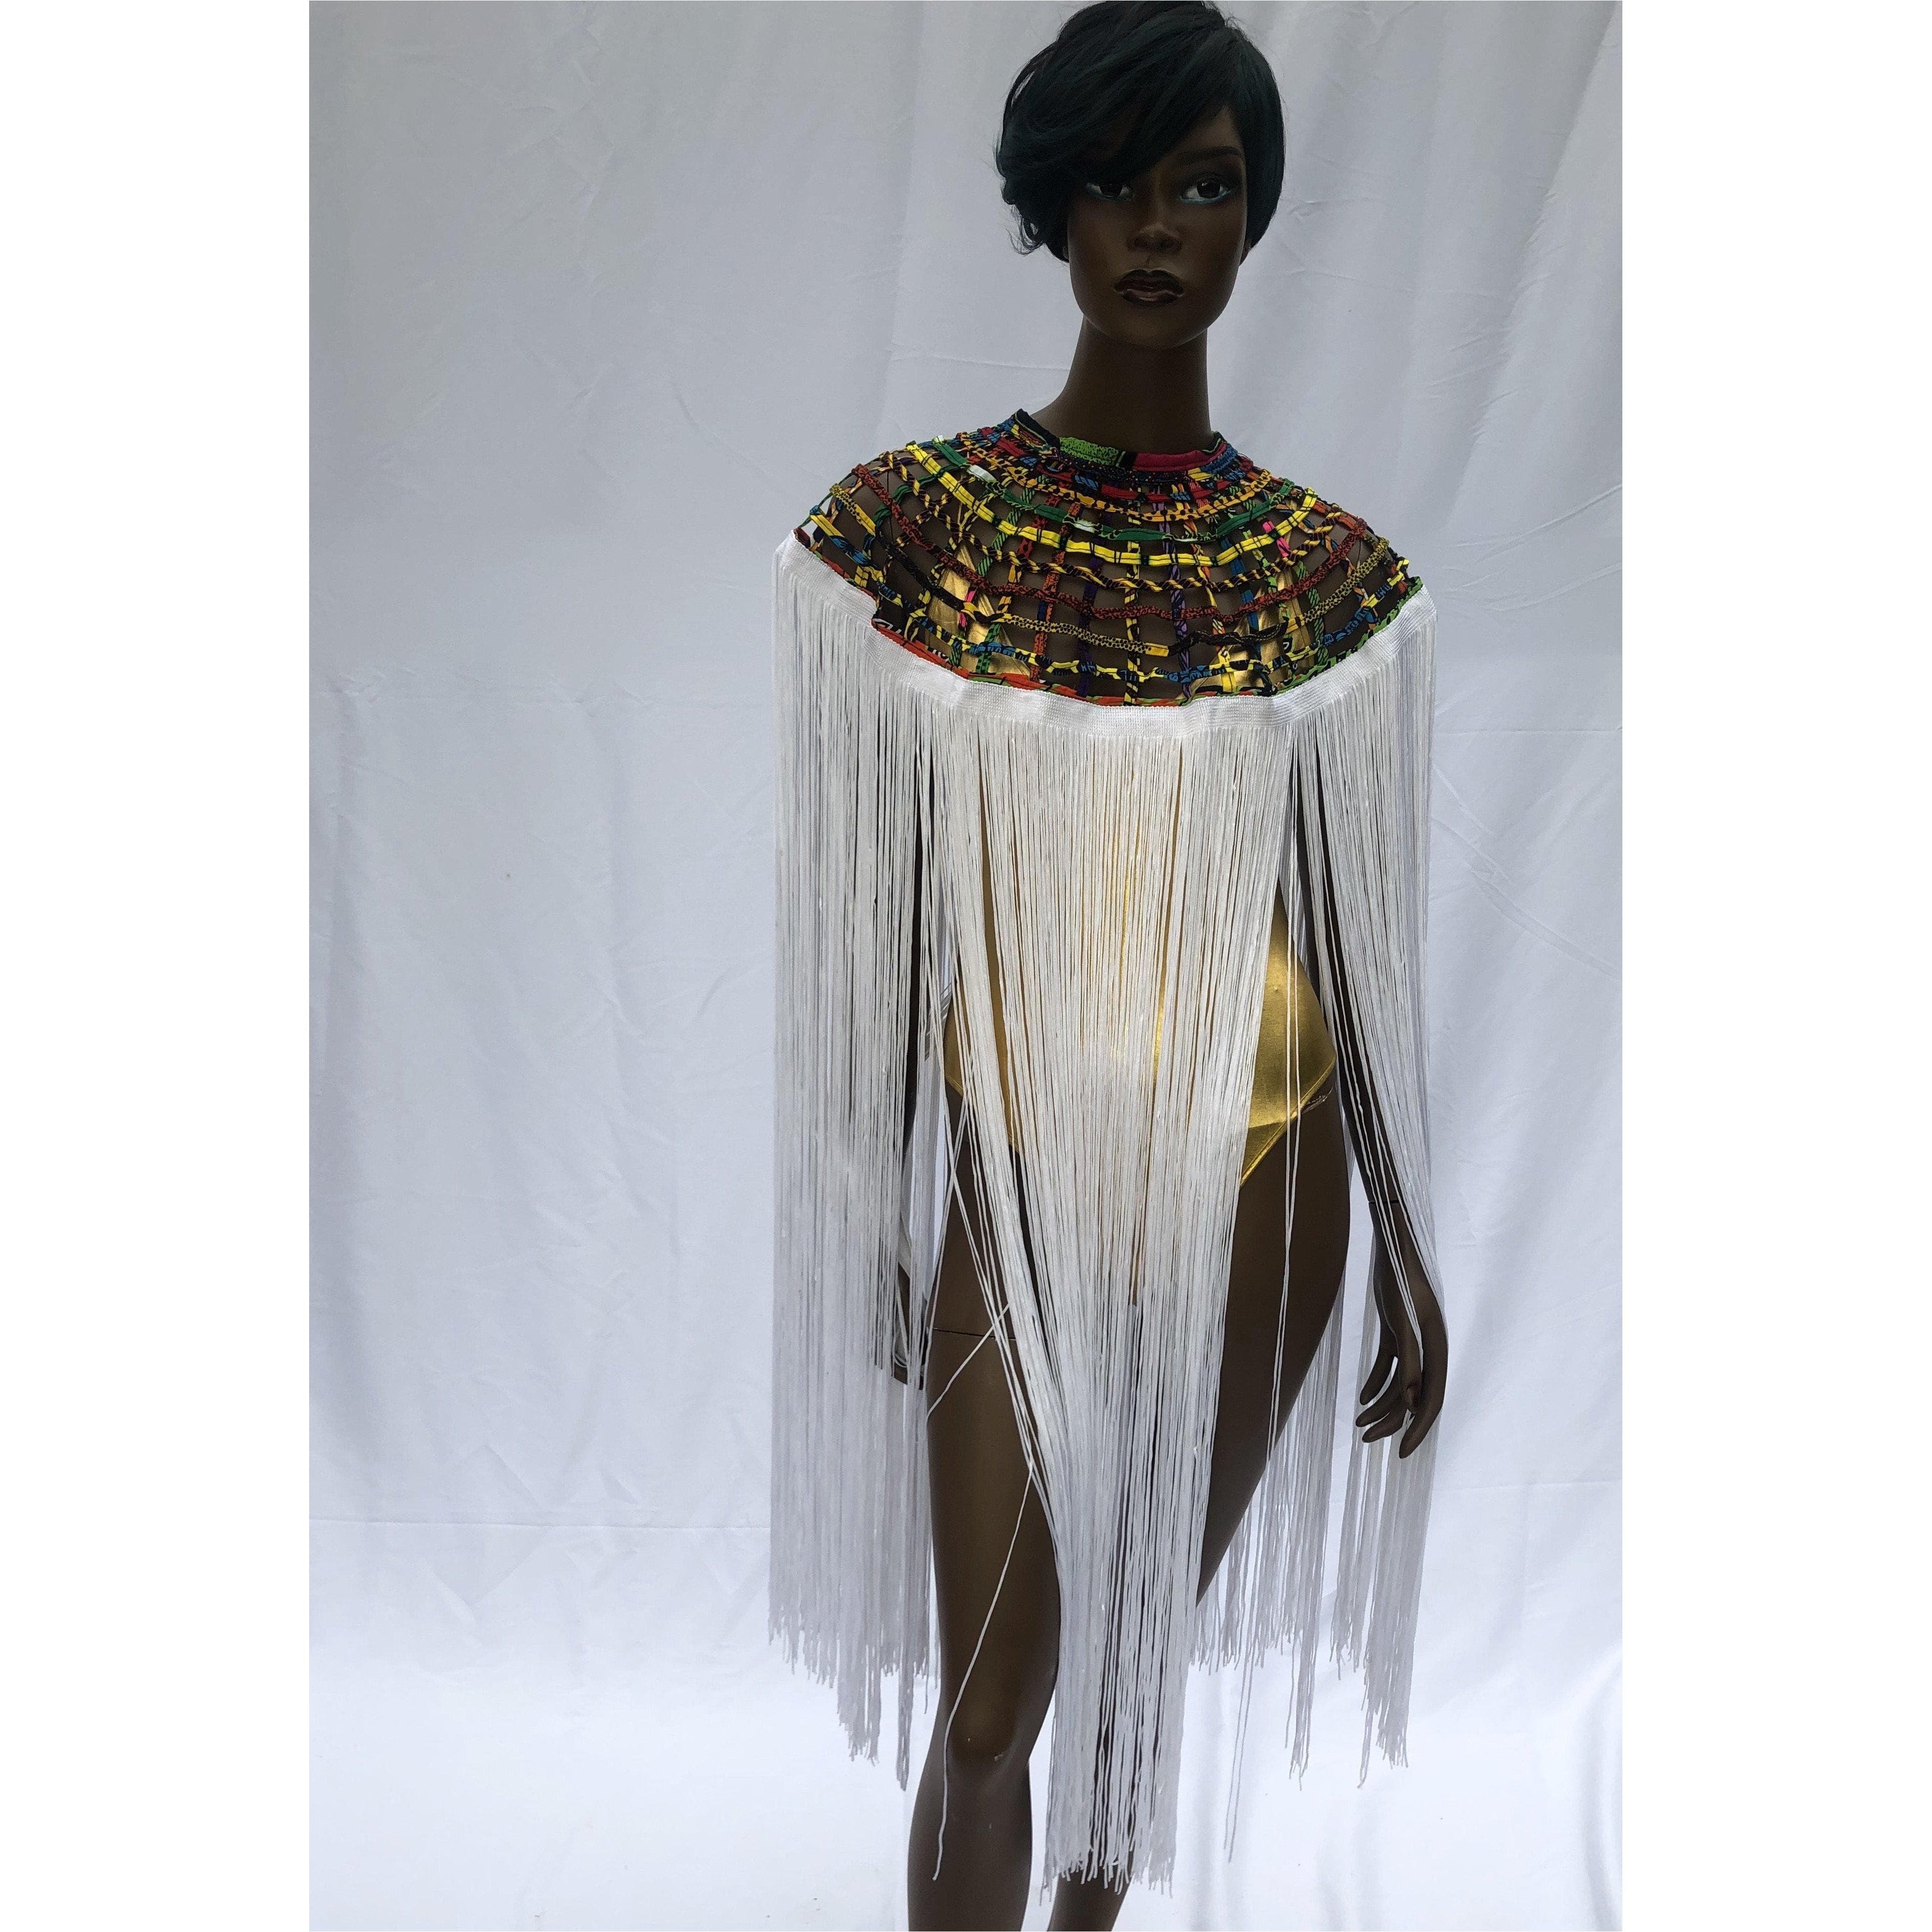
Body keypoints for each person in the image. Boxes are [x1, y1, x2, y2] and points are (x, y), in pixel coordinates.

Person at [769, 6, 1447, 1926]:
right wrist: (875, 1192)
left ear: (1255, 218)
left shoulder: (1324, 577)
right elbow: (884, 908)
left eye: (1204, 187)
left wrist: (1403, 1233)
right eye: (1114, 184)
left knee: (1135, 1668)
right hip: (1021, 1143)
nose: (1157, 228)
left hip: (1266, 1153)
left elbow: (1351, 929)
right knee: (991, 1706)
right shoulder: (914, 536)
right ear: (1050, 211)